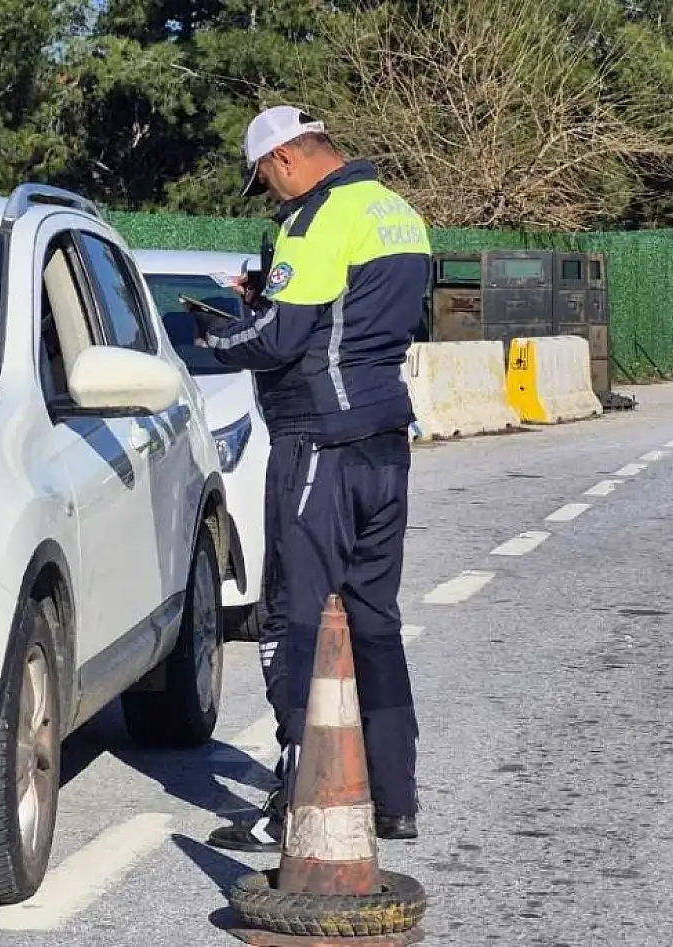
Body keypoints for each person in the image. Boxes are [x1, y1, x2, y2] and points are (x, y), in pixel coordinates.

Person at [194, 105, 430, 852]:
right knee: (373, 622)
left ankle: (294, 803)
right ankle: (394, 799)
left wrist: (214, 329)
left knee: (294, 620)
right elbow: (377, 322)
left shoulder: (316, 218)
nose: (271, 197)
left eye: (265, 181)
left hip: (319, 442)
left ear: (286, 160)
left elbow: (281, 337)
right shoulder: (399, 213)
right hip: (386, 439)